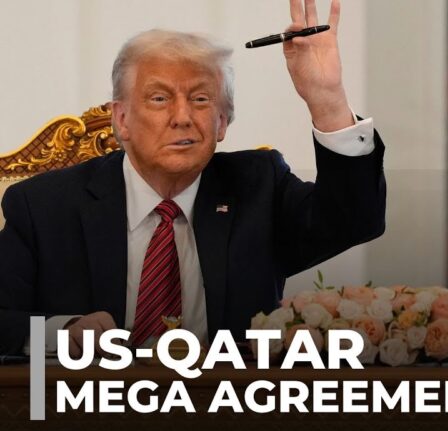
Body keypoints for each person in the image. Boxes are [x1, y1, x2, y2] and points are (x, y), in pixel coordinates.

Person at [0, 0, 386, 356]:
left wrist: (327, 100)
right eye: (159, 98)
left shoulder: (259, 187)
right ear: (122, 119)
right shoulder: (43, 206)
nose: (182, 117)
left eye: (201, 99)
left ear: (222, 122)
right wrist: (63, 333)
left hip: (227, 402)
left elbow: (355, 220)